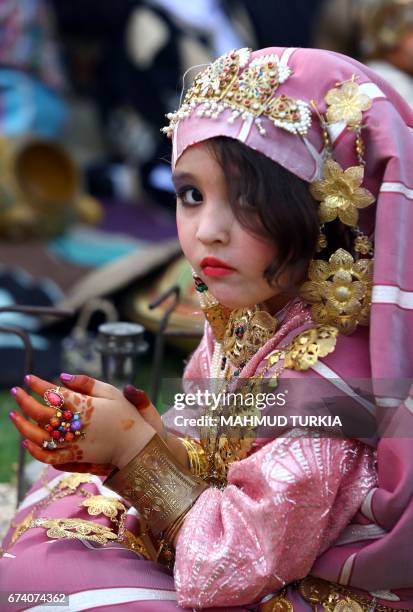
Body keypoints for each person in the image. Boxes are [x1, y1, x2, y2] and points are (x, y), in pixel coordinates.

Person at [2, 46, 413, 610]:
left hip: (287, 580)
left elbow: (224, 571)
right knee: (56, 514)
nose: (208, 232)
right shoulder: (261, 307)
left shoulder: (337, 387)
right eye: (191, 194)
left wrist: (132, 451)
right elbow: (220, 456)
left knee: (52, 581)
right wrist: (149, 435)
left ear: (332, 211)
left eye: (249, 200)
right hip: (252, 544)